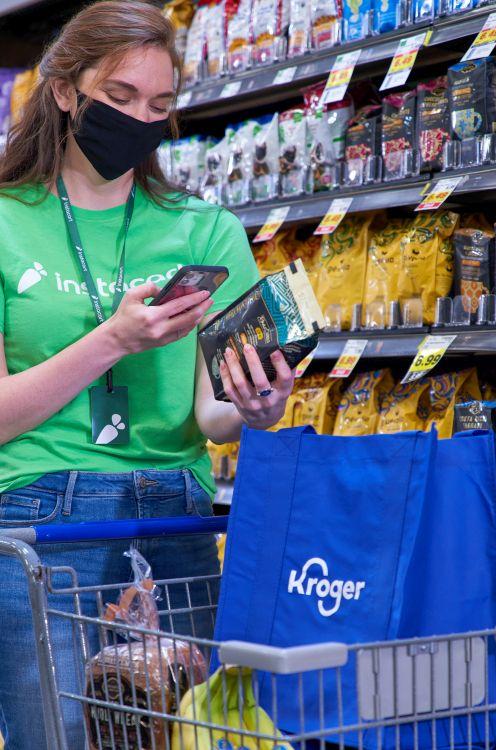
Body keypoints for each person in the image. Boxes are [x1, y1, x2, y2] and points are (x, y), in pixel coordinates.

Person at [0, 2, 294, 747]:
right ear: (65, 92)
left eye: (159, 105)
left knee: (186, 738)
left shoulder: (206, 228)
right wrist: (113, 341)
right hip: (43, 523)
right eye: (120, 98)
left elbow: (211, 414)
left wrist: (256, 405)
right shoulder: (5, 220)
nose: (140, 120)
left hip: (176, 524)